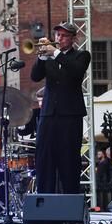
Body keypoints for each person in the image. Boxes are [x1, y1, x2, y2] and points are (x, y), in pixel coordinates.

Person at [30, 21, 91, 194]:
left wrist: (55, 52)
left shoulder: (81, 55)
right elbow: (35, 77)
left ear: (73, 38)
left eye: (64, 35)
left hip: (70, 116)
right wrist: (42, 57)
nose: (59, 38)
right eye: (57, 35)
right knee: (44, 159)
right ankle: (45, 206)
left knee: (69, 161)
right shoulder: (48, 58)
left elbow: (76, 72)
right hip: (48, 114)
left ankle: (70, 210)